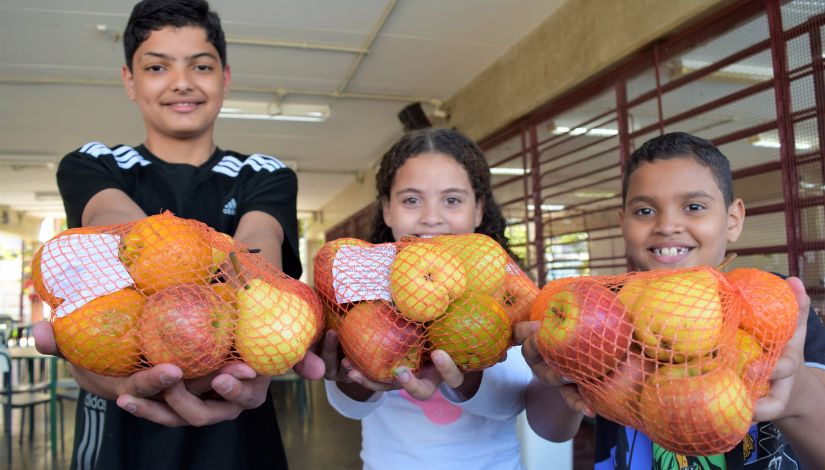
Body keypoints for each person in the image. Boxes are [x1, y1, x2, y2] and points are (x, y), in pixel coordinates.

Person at [31, 1, 324, 469]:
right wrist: (213, 273)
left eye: (200, 66)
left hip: (237, 427)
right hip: (118, 424)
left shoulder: (262, 173)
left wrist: (205, 331)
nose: (181, 82)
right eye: (156, 66)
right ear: (129, 79)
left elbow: (259, 253)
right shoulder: (95, 162)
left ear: (225, 77)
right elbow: (115, 220)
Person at [516, 132, 825, 468]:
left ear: (733, 219)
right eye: (645, 210)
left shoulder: (769, 305)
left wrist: (794, 392)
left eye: (694, 207)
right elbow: (551, 430)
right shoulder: (609, 310)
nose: (667, 225)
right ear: (624, 224)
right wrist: (560, 369)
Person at [319, 128, 533, 470]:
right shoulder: (364, 290)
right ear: (387, 210)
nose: (431, 217)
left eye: (452, 200)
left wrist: (464, 374)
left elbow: (516, 400)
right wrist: (352, 377)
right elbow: (350, 408)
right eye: (411, 200)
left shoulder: (505, 289)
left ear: (478, 210)